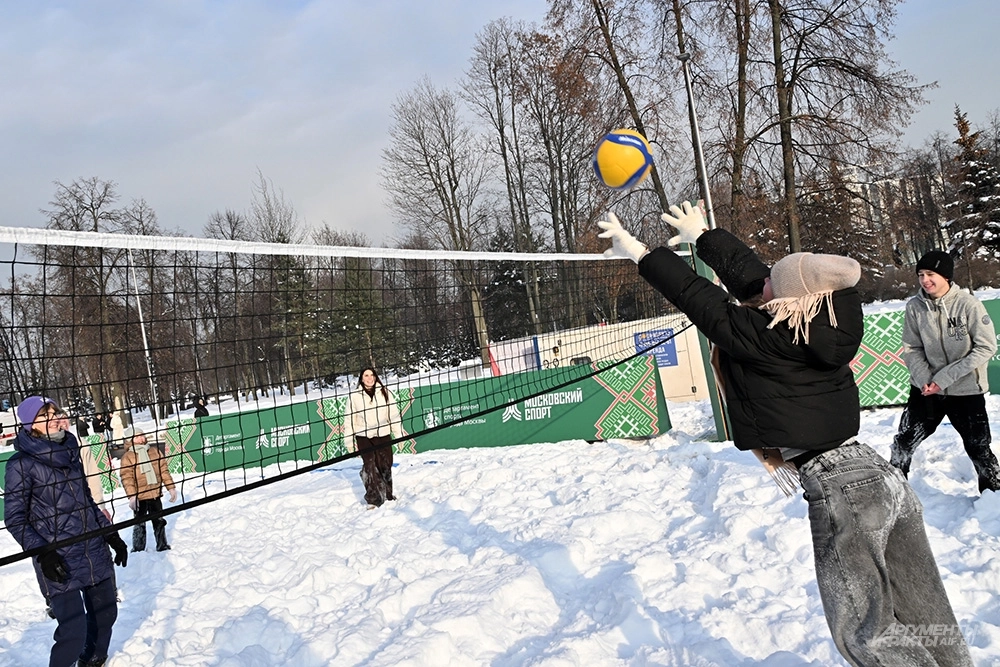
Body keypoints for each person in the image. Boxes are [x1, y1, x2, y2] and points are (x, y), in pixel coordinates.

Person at [598, 203, 973, 666]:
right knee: (927, 616)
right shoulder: (829, 317)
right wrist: (706, 238)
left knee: (866, 631)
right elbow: (765, 281)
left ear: (793, 301)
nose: (763, 288)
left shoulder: (769, 335)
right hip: (881, 477)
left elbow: (703, 301)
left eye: (775, 285)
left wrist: (638, 251)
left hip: (841, 487)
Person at [4, 395, 129, 667]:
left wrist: (111, 534)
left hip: (92, 548)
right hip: (58, 558)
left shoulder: (71, 450)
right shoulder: (20, 464)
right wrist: (44, 553)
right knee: (73, 632)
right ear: (30, 425)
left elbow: (87, 501)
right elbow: (14, 518)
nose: (52, 419)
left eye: (53, 413)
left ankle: (93, 660)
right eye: (43, 416)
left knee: (106, 615)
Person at [890, 250, 1000, 493]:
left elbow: (985, 347)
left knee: (978, 448)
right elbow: (912, 347)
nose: (925, 280)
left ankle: (993, 499)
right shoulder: (914, 307)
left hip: (966, 390)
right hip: (926, 390)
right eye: (920, 274)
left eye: (931, 274)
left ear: (946, 276)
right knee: (904, 442)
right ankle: (894, 493)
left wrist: (943, 379)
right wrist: (925, 380)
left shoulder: (968, 304)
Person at [342, 366, 403, 508]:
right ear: (361, 379)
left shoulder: (385, 392)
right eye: (366, 375)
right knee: (370, 466)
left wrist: (398, 434)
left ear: (375, 377)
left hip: (383, 434)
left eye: (372, 375)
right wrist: (349, 442)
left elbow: (393, 415)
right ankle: (373, 499)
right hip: (363, 436)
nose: (369, 378)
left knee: (385, 465)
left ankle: (388, 494)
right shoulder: (354, 396)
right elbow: (349, 420)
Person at [119, 426, 178, 552]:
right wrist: (132, 496)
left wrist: (171, 488)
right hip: (140, 497)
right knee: (139, 524)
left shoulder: (154, 451)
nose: (140, 438)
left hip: (155, 494)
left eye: (142, 435)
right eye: (136, 437)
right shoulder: (128, 457)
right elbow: (127, 478)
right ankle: (138, 549)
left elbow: (164, 471)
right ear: (130, 440)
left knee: (159, 521)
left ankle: (162, 544)